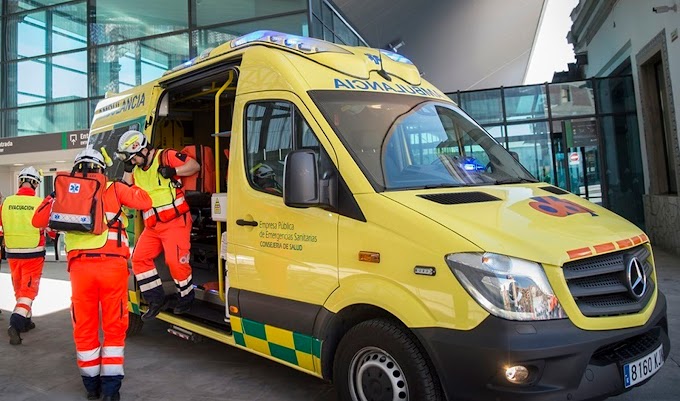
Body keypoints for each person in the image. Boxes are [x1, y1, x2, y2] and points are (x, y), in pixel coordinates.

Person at [33, 149, 152, 401]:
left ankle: (91, 387)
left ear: (76, 169)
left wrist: (55, 194)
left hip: (80, 271)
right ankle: (110, 391)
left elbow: (37, 220)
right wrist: (126, 182)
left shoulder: (64, 193)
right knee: (114, 327)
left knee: (85, 327)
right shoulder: (114, 189)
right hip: (113, 269)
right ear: (102, 169)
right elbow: (145, 202)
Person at [116, 130, 199, 320]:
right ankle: (156, 299)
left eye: (133, 159)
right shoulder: (137, 170)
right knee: (138, 259)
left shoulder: (166, 156)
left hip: (176, 222)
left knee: (175, 262)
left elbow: (194, 166)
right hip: (153, 226)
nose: (133, 162)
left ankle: (186, 297)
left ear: (142, 150)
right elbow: (126, 190)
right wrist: (128, 169)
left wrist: (174, 171)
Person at [0, 167, 45, 345]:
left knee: (19, 287)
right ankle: (16, 322)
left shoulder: (6, 203)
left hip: (12, 253)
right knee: (28, 290)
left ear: (20, 182)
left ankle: (26, 321)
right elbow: (47, 227)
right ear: (35, 183)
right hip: (33, 252)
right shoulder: (39, 203)